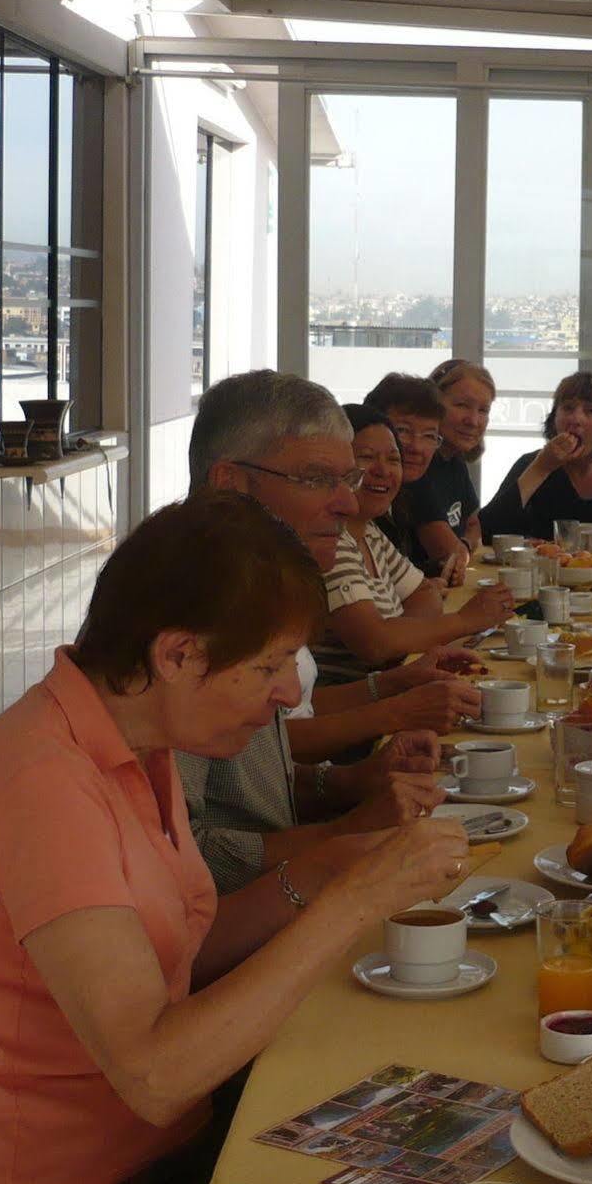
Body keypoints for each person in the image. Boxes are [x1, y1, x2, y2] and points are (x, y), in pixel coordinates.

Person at [0, 492, 471, 1184]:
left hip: (158, 1154)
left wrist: (321, 868)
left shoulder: (139, 738)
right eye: (269, 666)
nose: (284, 695)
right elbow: (156, 1074)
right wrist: (355, 902)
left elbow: (186, 954)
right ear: (176, 654)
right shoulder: (44, 785)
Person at [181, 371, 476, 892]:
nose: (345, 502)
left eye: (350, 480)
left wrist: (354, 781)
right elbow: (184, 856)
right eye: (318, 479)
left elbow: (253, 786)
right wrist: (345, 833)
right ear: (230, 483)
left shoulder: (259, 591)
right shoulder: (183, 612)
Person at [322, 403, 517, 679]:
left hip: (387, 689)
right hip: (352, 708)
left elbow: (425, 595)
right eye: (366, 457)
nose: (382, 470)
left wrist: (397, 638)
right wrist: (465, 620)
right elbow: (374, 643)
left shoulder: (368, 531)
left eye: (393, 459)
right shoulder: (331, 541)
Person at [479, 371, 592, 542]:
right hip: (546, 571)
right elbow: (488, 530)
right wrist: (542, 468)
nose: (576, 419)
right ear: (554, 418)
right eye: (568, 408)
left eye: (590, 411)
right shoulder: (532, 464)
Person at [362, 372, 454, 578]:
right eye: (403, 430)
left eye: (430, 436)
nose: (417, 447)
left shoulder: (410, 487)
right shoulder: (359, 500)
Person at [419, 358, 494, 580]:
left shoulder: (453, 460)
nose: (473, 420)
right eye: (462, 405)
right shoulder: (419, 465)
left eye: (483, 410)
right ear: (433, 404)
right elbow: (446, 552)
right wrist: (462, 548)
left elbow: (474, 525)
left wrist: (464, 546)